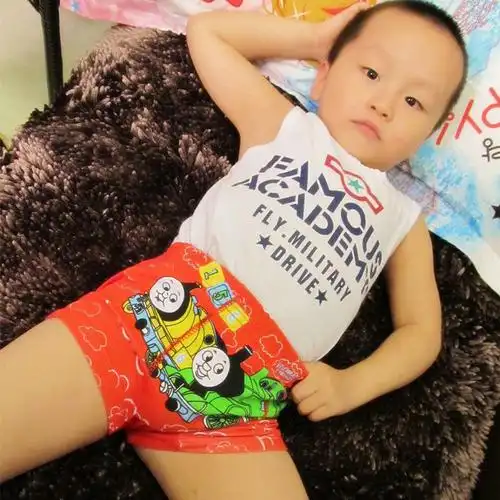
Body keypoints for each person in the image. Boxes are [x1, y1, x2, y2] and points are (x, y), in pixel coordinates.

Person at [0, 1, 467, 498]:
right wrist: (314, 41)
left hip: (238, 407)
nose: (384, 103)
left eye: (414, 101)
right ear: (325, 76)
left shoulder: (404, 220)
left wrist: (352, 385)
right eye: (371, 72)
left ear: (428, 134)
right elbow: (208, 33)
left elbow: (421, 334)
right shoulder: (284, 126)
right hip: (145, 323)